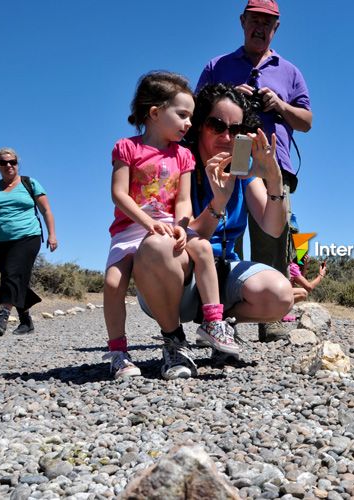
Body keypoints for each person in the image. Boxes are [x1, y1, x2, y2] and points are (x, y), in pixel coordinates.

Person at [133, 83, 293, 379]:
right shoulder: (177, 163)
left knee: (280, 295)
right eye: (217, 125)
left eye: (236, 129)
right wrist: (218, 203)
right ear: (199, 125)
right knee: (159, 246)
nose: (227, 137)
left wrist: (274, 180)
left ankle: (218, 323)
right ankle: (173, 341)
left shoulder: (240, 170)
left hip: (220, 274)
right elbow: (181, 238)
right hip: (175, 274)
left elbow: (272, 227)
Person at [102, 71, 238, 380]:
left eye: (190, 116)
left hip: (169, 226)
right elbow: (119, 194)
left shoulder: (184, 156)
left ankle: (213, 322)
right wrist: (148, 222)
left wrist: (181, 225)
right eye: (182, 115)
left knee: (202, 247)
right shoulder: (127, 148)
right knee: (112, 284)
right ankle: (119, 352)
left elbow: (182, 200)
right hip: (132, 228)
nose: (189, 123)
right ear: (154, 113)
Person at [196, 0, 312, 340]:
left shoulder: (289, 71)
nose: (260, 27)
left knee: (272, 235)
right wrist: (231, 97)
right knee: (226, 233)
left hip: (271, 162)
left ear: (276, 28)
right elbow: (196, 105)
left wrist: (279, 105)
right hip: (225, 161)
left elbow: (306, 121)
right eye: (255, 20)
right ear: (243, 21)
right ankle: (220, 310)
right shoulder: (218, 65)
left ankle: (271, 318)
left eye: (268, 22)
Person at [0, 148, 58, 335]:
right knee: (15, 279)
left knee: (11, 274)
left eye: (13, 162)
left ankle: (2, 316)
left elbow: (46, 210)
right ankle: (26, 322)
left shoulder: (29, 183)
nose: (9, 165)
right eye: (3, 162)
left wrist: (52, 235)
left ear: (17, 163)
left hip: (27, 237)